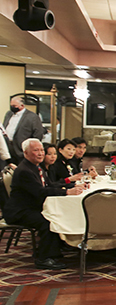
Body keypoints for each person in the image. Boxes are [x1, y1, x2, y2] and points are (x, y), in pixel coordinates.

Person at [4, 139, 84, 269]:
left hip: (31, 207)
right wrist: (67, 192)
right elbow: (40, 192)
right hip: (20, 211)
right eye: (36, 150)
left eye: (42, 150)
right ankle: (44, 258)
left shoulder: (36, 167)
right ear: (26, 153)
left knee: (56, 214)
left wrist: (73, 185)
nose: (40, 153)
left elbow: (49, 185)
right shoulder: (25, 171)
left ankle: (56, 248)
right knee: (49, 221)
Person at [2, 96, 46, 165]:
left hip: (21, 149)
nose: (12, 107)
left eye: (14, 106)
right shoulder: (9, 114)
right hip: (8, 147)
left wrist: (31, 148)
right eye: (11, 105)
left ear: (22, 106)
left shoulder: (32, 117)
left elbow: (38, 134)